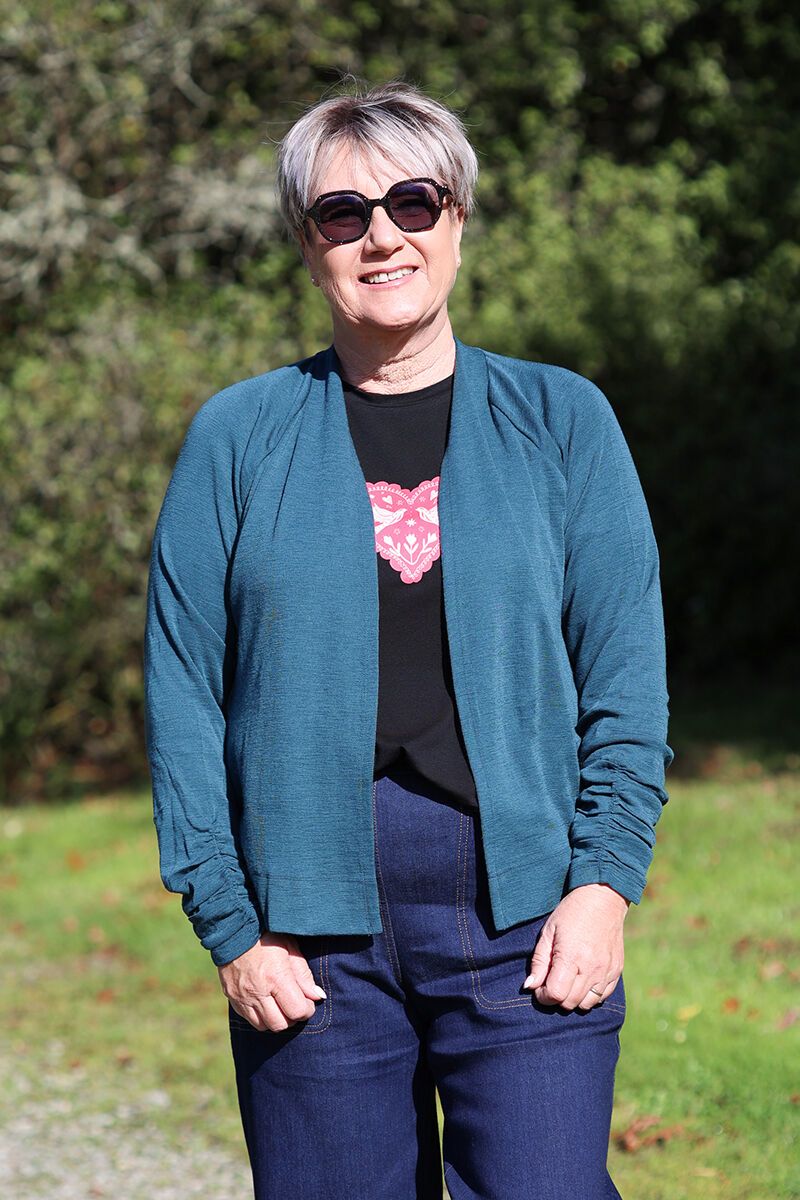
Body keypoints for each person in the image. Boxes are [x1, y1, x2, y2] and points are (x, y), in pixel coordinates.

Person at [143, 78, 674, 1200]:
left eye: (413, 203)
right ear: (309, 245)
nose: (381, 235)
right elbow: (182, 691)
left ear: (457, 219)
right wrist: (231, 925)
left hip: (525, 920)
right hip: (304, 940)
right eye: (343, 214)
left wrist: (603, 885)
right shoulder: (238, 437)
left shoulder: (562, 420)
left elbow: (625, 678)